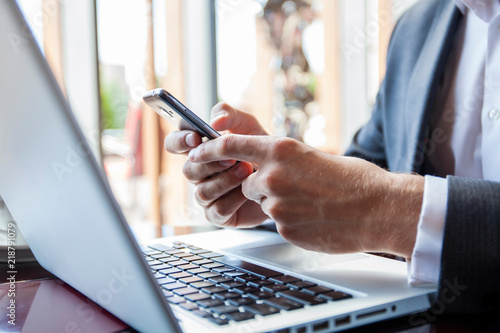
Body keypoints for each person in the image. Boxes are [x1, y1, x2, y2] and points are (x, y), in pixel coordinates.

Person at [165, 0, 500, 314]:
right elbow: (365, 167)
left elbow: (370, 193)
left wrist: (385, 209)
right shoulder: (416, 28)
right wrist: (266, 182)